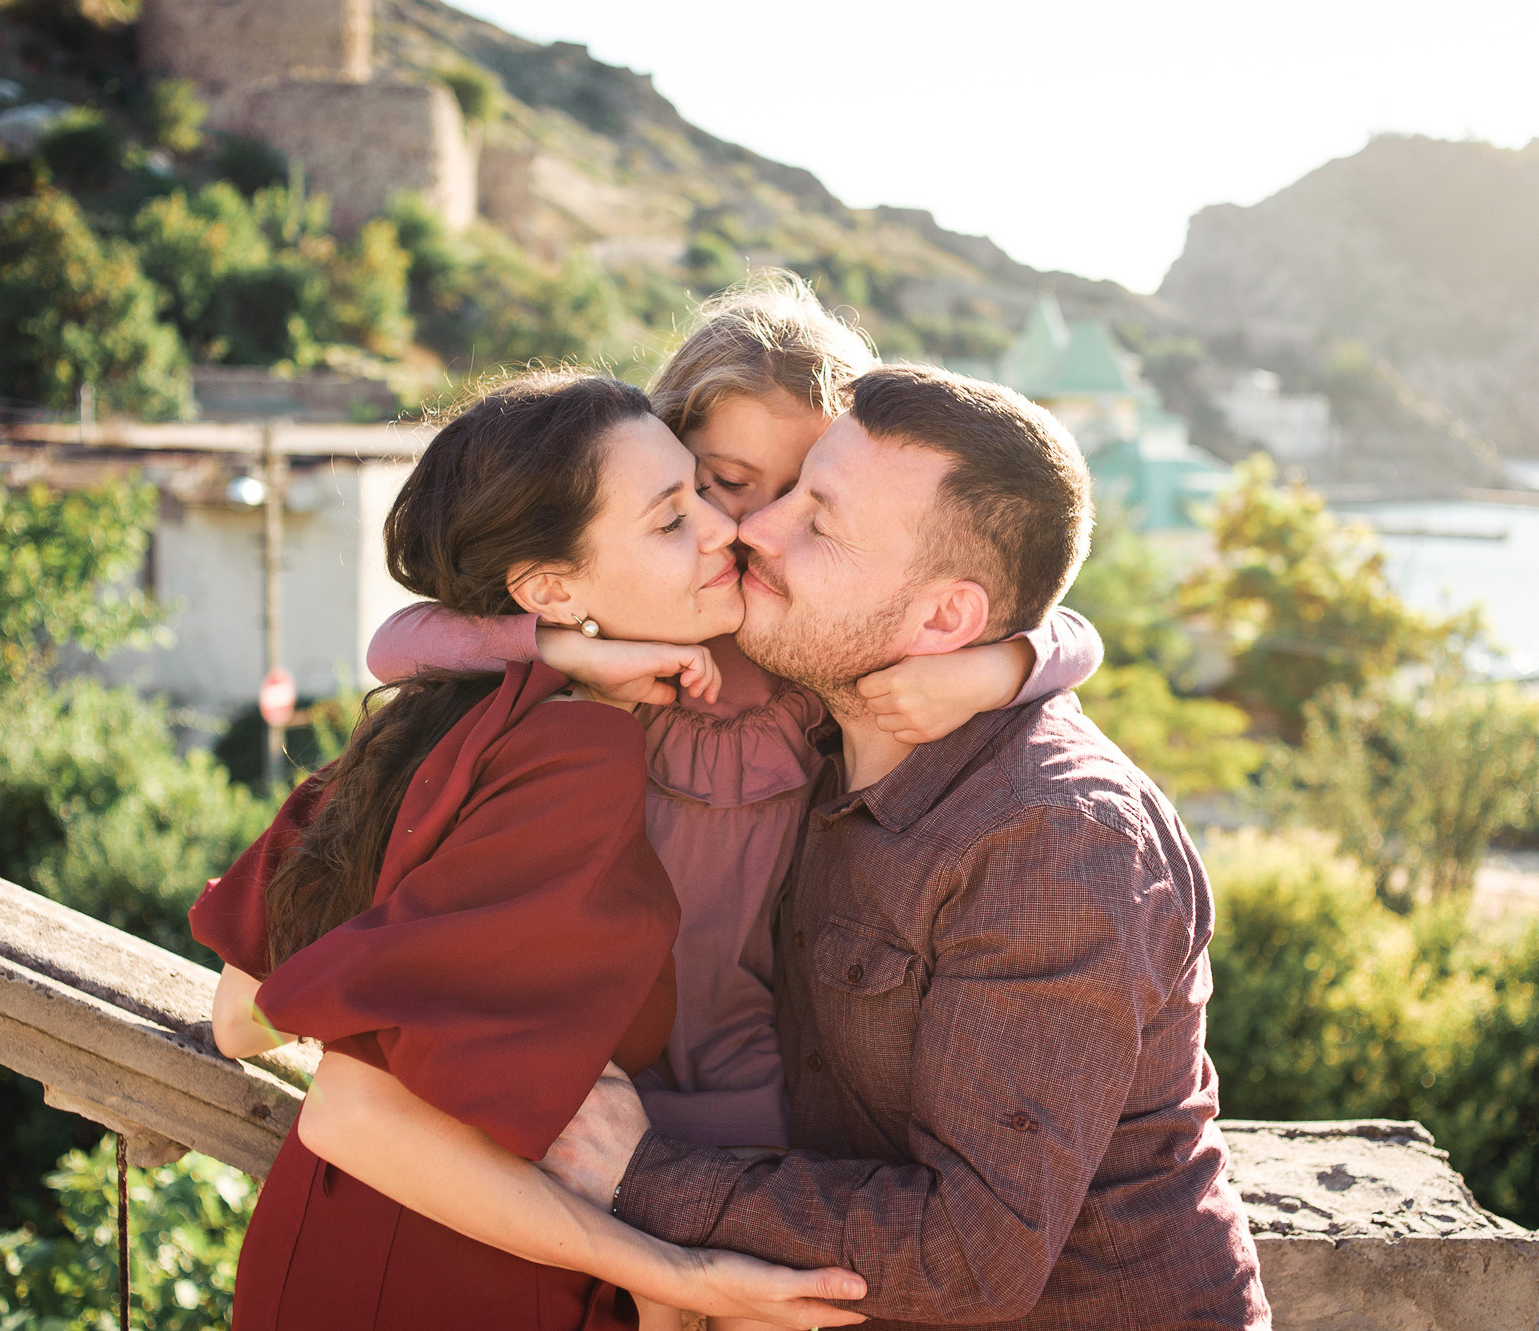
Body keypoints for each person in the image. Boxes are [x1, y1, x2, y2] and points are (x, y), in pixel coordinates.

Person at [536, 364, 1274, 1329]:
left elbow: (970, 1255)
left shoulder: (1054, 838)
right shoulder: (807, 748)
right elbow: (464, 621)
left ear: (943, 620)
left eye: (819, 516)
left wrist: (644, 1173)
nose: (754, 527)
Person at [364, 273, 1104, 1156]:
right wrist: (571, 649)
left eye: (808, 495)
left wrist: (992, 670)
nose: (760, 525)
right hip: (584, 1038)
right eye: (725, 483)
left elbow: (1065, 626)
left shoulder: (814, 640)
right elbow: (403, 643)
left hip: (750, 1054)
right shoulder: (643, 615)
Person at [190, 370, 867, 1330]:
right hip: (458, 1276)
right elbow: (353, 1105)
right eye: (672, 518)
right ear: (551, 587)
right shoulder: (576, 752)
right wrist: (679, 1275)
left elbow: (239, 1014)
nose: (727, 527)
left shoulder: (435, 717)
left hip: (324, 1250)